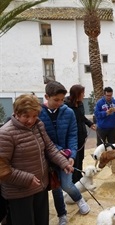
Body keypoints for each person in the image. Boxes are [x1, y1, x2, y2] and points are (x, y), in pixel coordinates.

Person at [0, 94, 73, 225]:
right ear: (16, 113)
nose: (30, 120)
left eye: (34, 116)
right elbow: (2, 168)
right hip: (19, 193)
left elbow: (49, 148)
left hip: (40, 186)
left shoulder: (38, 126)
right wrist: (27, 178)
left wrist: (64, 163)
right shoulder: (5, 133)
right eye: (26, 116)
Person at [39, 81, 90, 225]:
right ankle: (62, 214)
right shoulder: (38, 113)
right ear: (46, 97)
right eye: (56, 100)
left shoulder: (68, 112)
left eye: (62, 99)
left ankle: (79, 199)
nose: (60, 103)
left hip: (67, 157)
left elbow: (72, 135)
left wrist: (72, 155)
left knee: (67, 184)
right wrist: (58, 150)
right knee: (56, 188)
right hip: (48, 158)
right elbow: (42, 138)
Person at [64, 84, 96, 183]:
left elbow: (81, 117)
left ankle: (79, 178)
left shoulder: (80, 104)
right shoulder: (66, 106)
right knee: (74, 159)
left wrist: (90, 124)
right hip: (73, 137)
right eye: (82, 93)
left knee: (81, 158)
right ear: (77, 94)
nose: (84, 95)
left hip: (82, 135)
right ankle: (73, 180)